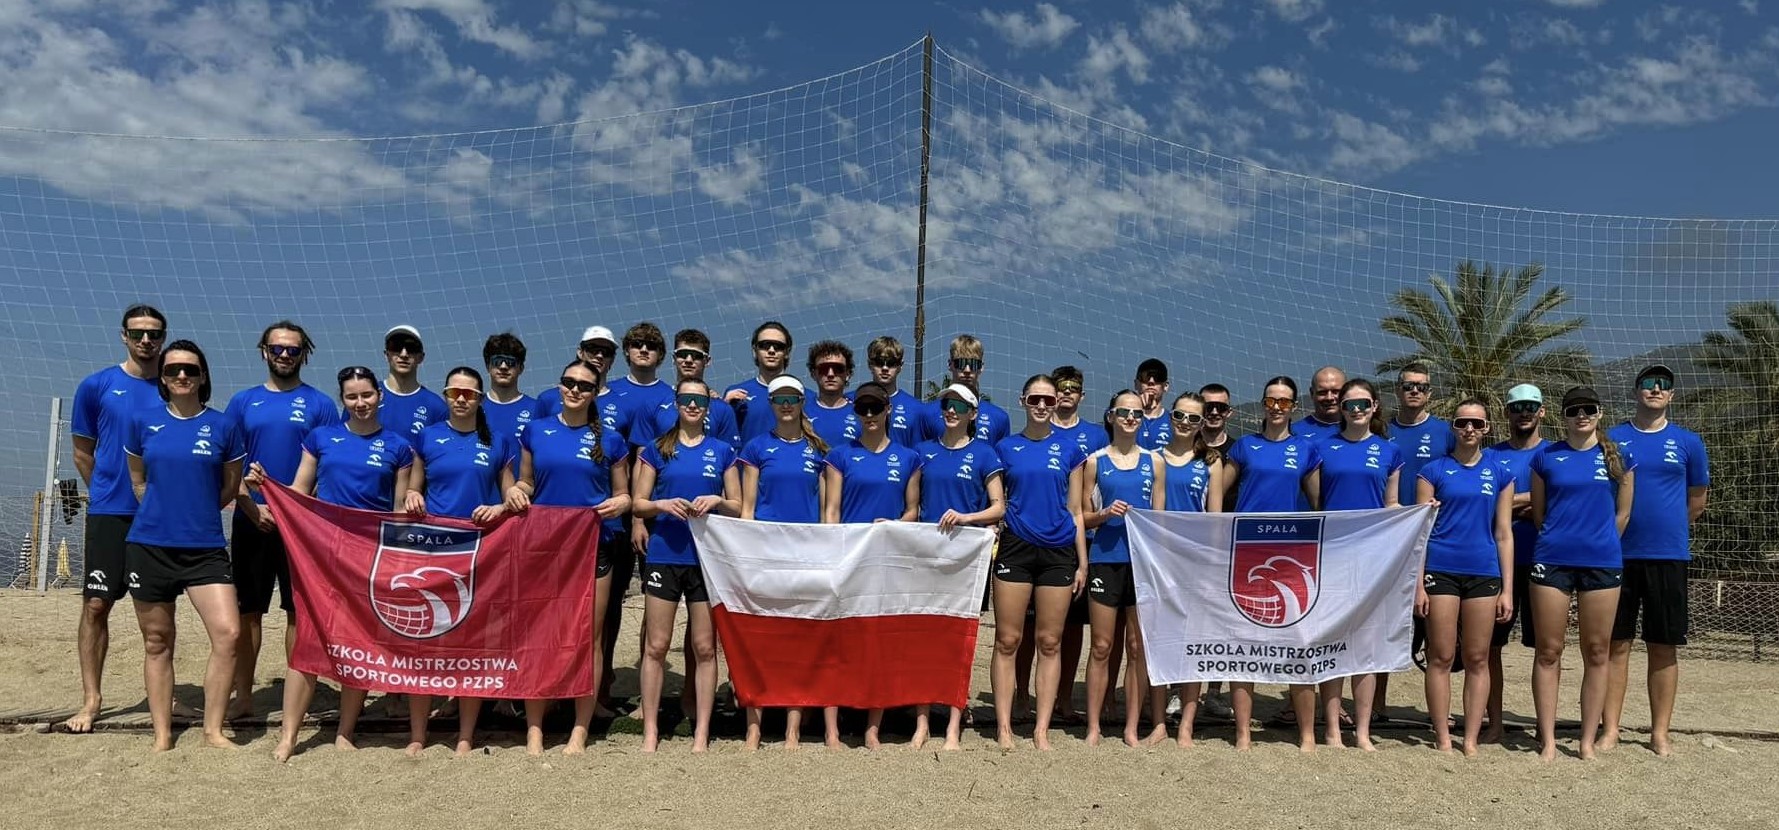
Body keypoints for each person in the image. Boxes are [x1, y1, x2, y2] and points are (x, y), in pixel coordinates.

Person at [261, 365, 415, 762]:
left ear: (379, 395)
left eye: (366, 395)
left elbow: (397, 510)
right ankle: (289, 735)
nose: (360, 403)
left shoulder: (399, 447)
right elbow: (299, 490)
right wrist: (266, 488)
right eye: (352, 396)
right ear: (342, 400)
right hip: (320, 554)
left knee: (357, 641)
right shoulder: (321, 438)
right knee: (307, 640)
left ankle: (346, 730)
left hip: (368, 557)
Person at [504, 359, 631, 756]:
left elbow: (623, 493)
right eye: (569, 382)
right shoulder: (537, 430)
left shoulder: (610, 439)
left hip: (593, 543)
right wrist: (515, 491)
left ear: (595, 393)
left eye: (585, 385)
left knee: (589, 638)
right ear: (559, 386)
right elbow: (525, 479)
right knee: (540, 634)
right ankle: (535, 728)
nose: (575, 390)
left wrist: (621, 502)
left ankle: (580, 729)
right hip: (545, 543)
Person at [124, 339, 245, 752]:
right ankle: (162, 735)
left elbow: (229, 487)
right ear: (162, 376)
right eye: (173, 369)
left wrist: (195, 514)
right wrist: (163, 513)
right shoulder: (142, 421)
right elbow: (137, 479)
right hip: (150, 545)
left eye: (190, 370)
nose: (181, 376)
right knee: (158, 642)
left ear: (203, 376)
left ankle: (213, 730)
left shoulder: (224, 425)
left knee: (228, 633)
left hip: (205, 547)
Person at [222, 321, 337, 722]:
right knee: (248, 611)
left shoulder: (321, 405)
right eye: (277, 348)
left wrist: (298, 510)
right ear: (264, 351)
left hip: (301, 526)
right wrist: (251, 504)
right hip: (253, 518)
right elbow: (227, 467)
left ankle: (296, 697)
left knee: (298, 611)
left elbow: (331, 466)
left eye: (293, 349)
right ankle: (244, 695)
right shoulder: (242, 402)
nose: (284, 355)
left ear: (304, 353)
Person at [64, 304, 169, 734]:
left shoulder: (177, 383)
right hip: (110, 511)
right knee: (95, 605)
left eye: (154, 333)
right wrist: (106, 492)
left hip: (161, 518)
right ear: (124, 336)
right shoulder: (97, 386)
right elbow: (82, 452)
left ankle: (166, 698)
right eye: (138, 333)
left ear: (163, 337)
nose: (146, 340)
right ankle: (92, 699)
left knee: (160, 615)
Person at [403, 367, 517, 757]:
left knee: (470, 646)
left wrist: (501, 505)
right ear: (447, 395)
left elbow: (510, 497)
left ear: (480, 399)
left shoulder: (498, 442)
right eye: (455, 392)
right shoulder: (428, 436)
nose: (462, 399)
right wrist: (412, 498)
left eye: (469, 394)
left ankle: (466, 735)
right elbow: (413, 490)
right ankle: (419, 734)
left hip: (479, 553)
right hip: (433, 551)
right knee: (426, 644)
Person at [1603, 364, 1709, 757]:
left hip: (1668, 556)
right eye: (1648, 383)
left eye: (1664, 385)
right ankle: (1610, 728)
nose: (1655, 389)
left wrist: (1666, 531)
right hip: (1618, 554)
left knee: (1663, 646)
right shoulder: (1611, 438)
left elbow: (1697, 500)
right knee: (1616, 645)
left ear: (1672, 395)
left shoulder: (1688, 442)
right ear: (1636, 391)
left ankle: (1659, 732)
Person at [633, 377, 741, 753]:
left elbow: (738, 505)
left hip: (705, 558)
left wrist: (716, 500)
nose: (693, 406)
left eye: (699, 400)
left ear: (708, 406)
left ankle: (701, 732)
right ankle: (650, 730)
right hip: (665, 553)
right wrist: (663, 505)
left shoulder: (723, 450)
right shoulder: (656, 448)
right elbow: (637, 502)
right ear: (677, 403)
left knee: (705, 647)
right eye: (686, 400)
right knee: (657, 645)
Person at [1528, 386, 1635, 761]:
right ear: (1563, 417)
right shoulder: (1546, 457)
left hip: (1602, 563)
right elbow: (1539, 515)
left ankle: (1588, 741)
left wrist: (1601, 542)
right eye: (1574, 410)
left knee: (1596, 650)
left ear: (1600, 413)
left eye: (1588, 409)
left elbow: (1622, 514)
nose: (1581, 416)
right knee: (1549, 650)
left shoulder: (1619, 456)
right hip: (1552, 561)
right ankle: (1549, 741)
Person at [1224, 375, 1323, 752]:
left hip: (1292, 553)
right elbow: (1221, 490)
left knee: (1298, 642)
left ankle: (1308, 734)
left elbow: (1318, 505)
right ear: (1263, 404)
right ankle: (1244, 733)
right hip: (1247, 552)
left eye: (1284, 402)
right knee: (1243, 642)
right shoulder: (1245, 447)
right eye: (1271, 401)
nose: (1277, 407)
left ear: (1294, 407)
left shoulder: (1307, 449)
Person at [990, 374, 1088, 751]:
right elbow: (998, 502)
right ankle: (1004, 726)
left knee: (1050, 641)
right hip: (1016, 547)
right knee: (1007, 639)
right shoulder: (1004, 448)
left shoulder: (1070, 449)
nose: (1043, 406)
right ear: (1023, 401)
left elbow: (1076, 510)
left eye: (1049, 400)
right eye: (1036, 400)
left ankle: (1042, 729)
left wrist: (1082, 562)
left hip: (1058, 551)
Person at [822, 382, 920, 749]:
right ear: (855, 413)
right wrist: (832, 551)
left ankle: (872, 727)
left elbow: (912, 510)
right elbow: (832, 510)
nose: (869, 415)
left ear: (887, 410)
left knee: (879, 641)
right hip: (849, 557)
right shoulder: (840, 456)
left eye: (875, 408)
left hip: (887, 558)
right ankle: (832, 727)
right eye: (862, 409)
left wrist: (894, 526)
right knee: (838, 640)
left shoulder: (909, 457)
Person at [1416, 398, 1515, 756]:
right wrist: (1417, 586)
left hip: (1483, 572)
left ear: (1487, 428)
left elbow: (1504, 533)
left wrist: (1507, 589)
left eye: (1477, 424)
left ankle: (1471, 737)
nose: (1469, 429)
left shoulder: (1500, 472)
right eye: (1462, 423)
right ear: (1453, 427)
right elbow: (1420, 533)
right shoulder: (1432, 471)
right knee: (1440, 656)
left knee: (1478, 657)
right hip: (1441, 569)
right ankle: (1442, 735)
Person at [911, 383, 1007, 749]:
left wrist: (967, 518)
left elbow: (998, 507)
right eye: (946, 404)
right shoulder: (923, 452)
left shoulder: (985, 454)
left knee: (959, 640)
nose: (951, 410)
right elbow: (914, 505)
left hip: (968, 557)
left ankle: (954, 720)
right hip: (929, 555)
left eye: (959, 405)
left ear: (972, 414)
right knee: (924, 637)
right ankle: (922, 721)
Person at [737, 375, 829, 749]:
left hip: (805, 553)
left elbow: (825, 512)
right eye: (779, 399)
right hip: (766, 551)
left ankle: (793, 724)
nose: (786, 404)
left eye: (792, 398)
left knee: (800, 638)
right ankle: (755, 725)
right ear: (770, 404)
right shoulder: (757, 447)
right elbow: (746, 508)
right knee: (759, 637)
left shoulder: (818, 449)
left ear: (802, 401)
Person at [1314, 378, 1402, 750]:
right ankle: (1333, 728)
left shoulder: (1389, 451)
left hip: (1373, 559)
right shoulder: (1321, 448)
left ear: (1375, 406)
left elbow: (1392, 505)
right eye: (1349, 404)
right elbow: (1317, 503)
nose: (1356, 410)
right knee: (1332, 640)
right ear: (1342, 409)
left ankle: (1363, 729)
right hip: (1332, 554)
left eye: (1363, 403)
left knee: (1365, 645)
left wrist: (1420, 514)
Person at [1081, 391, 1168, 747]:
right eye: (1124, 412)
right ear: (1111, 416)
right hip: (1106, 557)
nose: (1131, 418)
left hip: (1142, 563)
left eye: (1136, 413)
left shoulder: (1155, 462)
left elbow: (1160, 520)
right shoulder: (1095, 461)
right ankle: (1093, 727)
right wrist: (1103, 515)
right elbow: (1083, 518)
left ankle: (1132, 728)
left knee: (1137, 647)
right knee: (1101, 645)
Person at [1030, 364, 1104, 727]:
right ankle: (1018, 698)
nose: (1067, 393)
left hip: (1079, 539)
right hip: (1035, 540)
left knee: (1070, 628)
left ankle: (1063, 699)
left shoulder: (1093, 435)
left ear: (1082, 394)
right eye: (1061, 387)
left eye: (1074, 387)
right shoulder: (1035, 430)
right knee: (1029, 629)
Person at [1381, 363, 1453, 723]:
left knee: (1438, 630)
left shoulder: (1445, 431)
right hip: (1389, 541)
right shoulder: (1382, 430)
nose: (1414, 391)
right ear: (1397, 390)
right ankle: (1376, 706)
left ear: (1430, 393)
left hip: (1437, 538)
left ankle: (1441, 711)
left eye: (1421, 387)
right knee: (1380, 623)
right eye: (1408, 385)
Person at [1158, 391, 1224, 746]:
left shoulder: (1210, 462)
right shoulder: (1154, 458)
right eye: (1180, 416)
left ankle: (1187, 721)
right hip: (1160, 560)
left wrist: (1212, 564)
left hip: (1195, 562)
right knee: (1163, 637)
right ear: (1171, 417)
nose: (1185, 424)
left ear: (1202, 424)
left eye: (1193, 419)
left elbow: (1214, 519)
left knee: (1194, 640)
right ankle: (1159, 714)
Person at [1487, 383, 1548, 740]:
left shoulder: (1555, 453)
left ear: (1542, 411)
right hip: (1498, 565)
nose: (1524, 412)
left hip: (1544, 560)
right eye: (1517, 406)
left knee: (1546, 649)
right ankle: (1494, 722)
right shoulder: (1491, 456)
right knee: (1490, 647)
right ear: (1506, 413)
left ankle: (1543, 725)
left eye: (1531, 406)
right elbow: (1481, 501)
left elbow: (1555, 500)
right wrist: (1531, 501)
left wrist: (1509, 501)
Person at [1192, 382, 1238, 723]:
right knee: (1189, 621)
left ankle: (1214, 693)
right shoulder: (1184, 448)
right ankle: (1182, 691)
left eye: (1220, 408)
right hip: (1186, 549)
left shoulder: (1239, 451)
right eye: (1207, 407)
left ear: (1229, 413)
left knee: (1222, 624)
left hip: (1228, 547)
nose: (1213, 413)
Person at [651, 329, 740, 447]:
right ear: (674, 358)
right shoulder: (655, 401)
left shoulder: (722, 409)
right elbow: (644, 455)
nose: (688, 360)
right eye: (682, 354)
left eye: (696, 356)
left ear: (707, 361)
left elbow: (728, 458)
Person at [364, 325, 447, 444]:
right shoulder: (364, 397)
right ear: (386, 354)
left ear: (421, 357)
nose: (403, 354)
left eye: (411, 348)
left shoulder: (436, 406)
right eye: (396, 347)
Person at [922, 335, 1010, 444]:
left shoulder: (999, 417)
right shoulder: (928, 413)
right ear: (950, 364)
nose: (967, 370)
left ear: (981, 367)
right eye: (961, 363)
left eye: (973, 364)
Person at [724, 321, 795, 445]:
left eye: (778, 346)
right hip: (747, 464)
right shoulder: (734, 394)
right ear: (754, 350)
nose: (771, 350)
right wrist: (722, 408)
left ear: (787, 352)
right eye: (765, 345)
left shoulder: (805, 396)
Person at [606, 321, 675, 446]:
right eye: (637, 344)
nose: (644, 350)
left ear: (660, 353)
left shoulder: (672, 396)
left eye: (651, 346)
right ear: (627, 350)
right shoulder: (608, 390)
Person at [535, 325, 618, 418]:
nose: (599, 356)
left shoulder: (623, 405)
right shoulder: (548, 399)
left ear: (613, 359)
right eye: (593, 349)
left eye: (607, 352)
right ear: (580, 352)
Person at [864, 336, 928, 448]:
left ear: (900, 366)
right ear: (870, 364)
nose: (885, 368)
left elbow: (917, 454)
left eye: (891, 363)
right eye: (879, 362)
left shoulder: (916, 408)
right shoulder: (853, 402)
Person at [481, 332, 536, 445]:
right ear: (488, 366)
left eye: (510, 362)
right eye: (497, 361)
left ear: (521, 368)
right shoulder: (474, 407)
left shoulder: (537, 409)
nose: (503, 367)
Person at [805, 340, 860, 450]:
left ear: (848, 374)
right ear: (813, 374)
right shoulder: (801, 412)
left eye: (838, 368)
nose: (830, 374)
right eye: (823, 369)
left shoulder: (862, 413)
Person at [1293, 366, 1347, 442]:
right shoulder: (1293, 433)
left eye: (1336, 392)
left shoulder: (1363, 431)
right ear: (1312, 393)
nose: (1329, 398)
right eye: (1322, 392)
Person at [1133, 359, 1172, 450]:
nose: (1151, 382)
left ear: (1166, 386)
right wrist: (1136, 406)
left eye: (1158, 377)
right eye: (1145, 377)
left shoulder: (1174, 421)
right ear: (1136, 384)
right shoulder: (1122, 415)